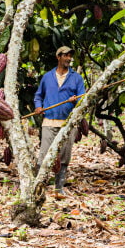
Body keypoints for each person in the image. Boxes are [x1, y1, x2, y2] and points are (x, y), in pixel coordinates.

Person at [33, 46, 86, 193]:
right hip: (49, 122)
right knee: (44, 155)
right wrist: (38, 107)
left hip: (68, 124)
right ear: (58, 57)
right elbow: (38, 96)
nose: (69, 58)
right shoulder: (47, 77)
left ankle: (59, 188)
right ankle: (38, 187)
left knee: (64, 156)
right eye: (65, 56)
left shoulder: (76, 78)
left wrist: (75, 100)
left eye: (70, 56)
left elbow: (83, 99)